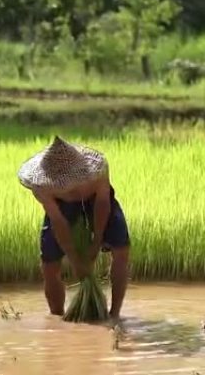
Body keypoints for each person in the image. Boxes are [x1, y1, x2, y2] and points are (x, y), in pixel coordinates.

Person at [17, 136, 131, 319]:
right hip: (62, 207)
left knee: (121, 250)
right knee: (49, 264)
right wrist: (74, 259)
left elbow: (102, 204)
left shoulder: (97, 171)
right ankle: (57, 316)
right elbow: (57, 221)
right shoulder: (41, 186)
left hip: (96, 201)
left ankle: (114, 313)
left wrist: (96, 243)